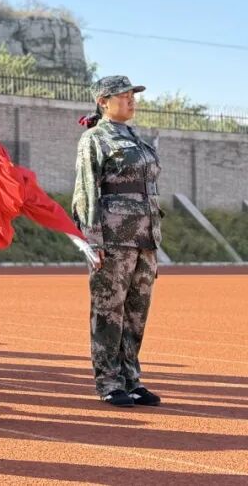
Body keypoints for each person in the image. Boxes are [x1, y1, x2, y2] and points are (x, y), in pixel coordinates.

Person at [73, 76, 163, 408]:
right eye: (123, 96)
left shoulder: (135, 138)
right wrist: (92, 241)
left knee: (136, 313)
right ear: (103, 101)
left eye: (132, 95)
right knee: (109, 311)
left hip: (144, 239)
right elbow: (85, 192)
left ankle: (131, 379)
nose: (131, 100)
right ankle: (108, 381)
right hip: (113, 239)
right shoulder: (95, 138)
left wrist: (154, 237)